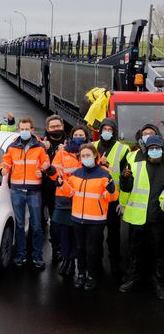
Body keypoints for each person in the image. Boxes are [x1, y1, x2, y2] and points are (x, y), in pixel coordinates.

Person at [57, 143, 117, 291]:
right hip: (77, 218)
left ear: (95, 156)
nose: (85, 158)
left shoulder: (104, 174)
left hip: (96, 220)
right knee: (80, 248)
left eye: (88, 155)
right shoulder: (76, 173)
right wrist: (60, 185)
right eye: (83, 156)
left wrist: (110, 190)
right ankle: (81, 274)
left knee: (92, 250)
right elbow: (69, 192)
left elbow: (113, 196)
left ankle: (92, 276)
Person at [0, 116, 53, 269]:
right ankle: (21, 255)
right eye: (21, 129)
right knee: (20, 225)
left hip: (34, 191)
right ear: (19, 129)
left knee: (37, 225)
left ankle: (37, 256)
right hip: (16, 190)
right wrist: (3, 168)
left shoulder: (40, 147)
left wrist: (43, 171)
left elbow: (46, 164)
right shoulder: (12, 147)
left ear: (32, 130)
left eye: (26, 129)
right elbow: (6, 162)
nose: (24, 131)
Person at [118, 135, 164, 300]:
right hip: (138, 217)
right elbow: (127, 187)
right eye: (151, 148)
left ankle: (158, 282)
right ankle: (132, 279)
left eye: (157, 148)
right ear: (147, 150)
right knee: (134, 250)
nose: (154, 151)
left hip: (159, 218)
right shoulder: (137, 165)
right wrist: (124, 177)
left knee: (158, 252)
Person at [49, 125, 91, 278]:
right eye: (76, 134)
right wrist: (52, 172)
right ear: (72, 136)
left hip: (81, 199)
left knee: (77, 234)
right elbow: (55, 173)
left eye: (81, 135)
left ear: (86, 137)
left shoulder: (89, 153)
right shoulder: (62, 152)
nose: (78, 137)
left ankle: (74, 260)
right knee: (64, 232)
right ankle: (67, 260)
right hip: (64, 198)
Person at [93, 118, 129, 282]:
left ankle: (115, 264)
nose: (106, 132)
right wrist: (99, 164)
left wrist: (122, 202)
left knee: (113, 235)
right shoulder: (92, 146)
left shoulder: (123, 149)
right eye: (104, 129)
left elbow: (124, 177)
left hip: (113, 200)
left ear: (114, 131)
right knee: (97, 234)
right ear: (100, 130)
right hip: (96, 199)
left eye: (110, 129)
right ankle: (97, 266)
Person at [41, 115, 67, 263]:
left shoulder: (69, 143)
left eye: (58, 126)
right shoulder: (40, 143)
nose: (56, 129)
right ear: (47, 129)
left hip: (59, 190)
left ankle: (56, 249)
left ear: (62, 126)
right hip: (41, 188)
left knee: (57, 223)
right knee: (37, 221)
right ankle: (34, 251)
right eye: (52, 127)